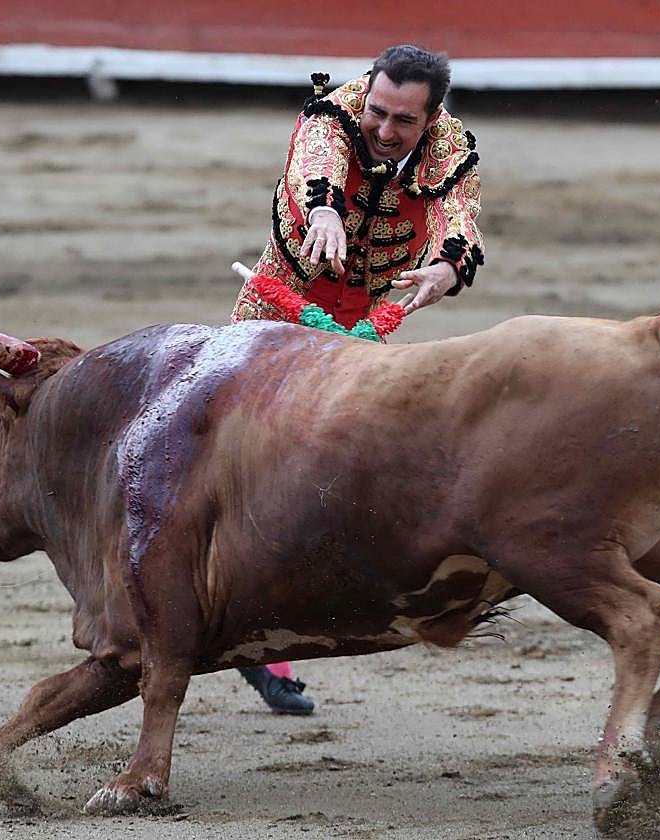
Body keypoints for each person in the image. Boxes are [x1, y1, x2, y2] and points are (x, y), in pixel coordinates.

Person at [230, 44, 485, 714]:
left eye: (404, 120)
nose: (383, 128)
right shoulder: (331, 116)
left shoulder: (452, 148)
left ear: (430, 119)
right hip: (277, 304)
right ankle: (253, 638)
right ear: (367, 91)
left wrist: (445, 271)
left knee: (329, 469)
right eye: (378, 109)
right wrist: (321, 213)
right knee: (237, 459)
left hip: (368, 327)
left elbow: (463, 227)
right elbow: (315, 168)